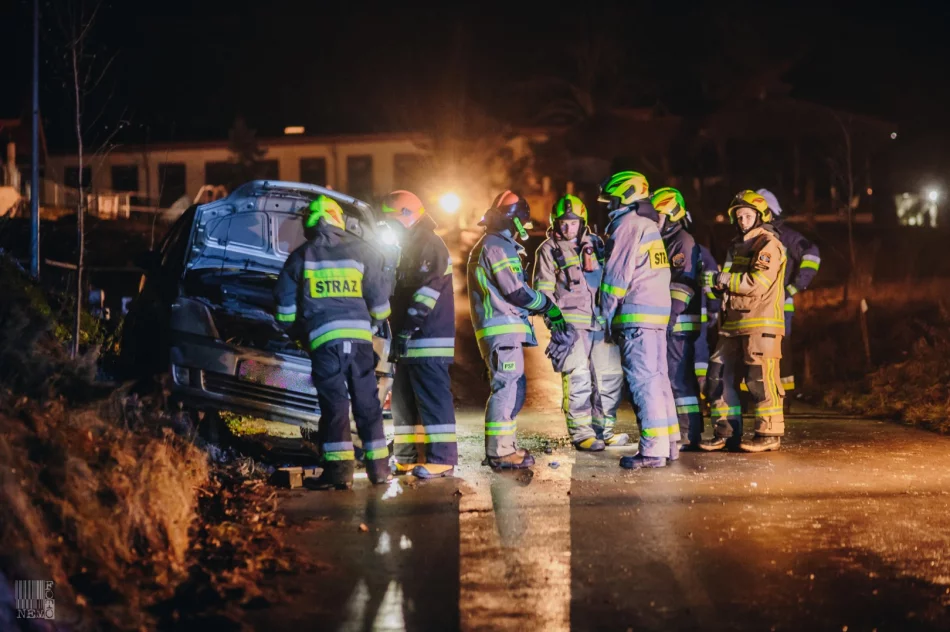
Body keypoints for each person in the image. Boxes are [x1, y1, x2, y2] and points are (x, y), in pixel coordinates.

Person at [274, 195, 393, 489]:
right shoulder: (361, 251)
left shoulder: (301, 257)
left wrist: (299, 335)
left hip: (325, 343)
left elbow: (285, 311)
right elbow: (380, 304)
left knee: (335, 405)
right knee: (368, 403)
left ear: (310, 223)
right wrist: (371, 325)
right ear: (340, 220)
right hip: (360, 342)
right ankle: (379, 470)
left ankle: (340, 474)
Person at [468, 190, 571, 469]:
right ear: (513, 220)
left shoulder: (496, 244)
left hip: (502, 328)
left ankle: (505, 447)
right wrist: (547, 305)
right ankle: (500, 452)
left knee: (514, 387)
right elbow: (516, 291)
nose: (525, 228)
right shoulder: (496, 246)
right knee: (506, 387)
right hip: (501, 328)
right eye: (523, 222)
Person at [598, 171, 680, 469]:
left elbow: (616, 278)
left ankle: (652, 451)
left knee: (643, 383)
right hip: (656, 317)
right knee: (658, 381)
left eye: (611, 199)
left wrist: (604, 316)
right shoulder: (649, 226)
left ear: (625, 196)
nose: (608, 206)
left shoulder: (627, 226)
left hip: (636, 316)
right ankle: (669, 444)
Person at [533, 194, 628, 451]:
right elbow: (544, 292)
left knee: (608, 378)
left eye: (573, 223)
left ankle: (603, 431)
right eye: (563, 222)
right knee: (578, 379)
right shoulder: (548, 250)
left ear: (582, 222)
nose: (567, 227)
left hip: (600, 323)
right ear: (555, 222)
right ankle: (581, 434)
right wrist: (556, 325)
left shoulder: (596, 244)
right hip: (571, 327)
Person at [700, 190, 787, 453]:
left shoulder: (767, 244)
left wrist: (725, 281)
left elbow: (757, 283)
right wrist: (716, 286)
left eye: (748, 215)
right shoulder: (737, 245)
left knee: (759, 379)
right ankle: (726, 432)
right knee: (716, 374)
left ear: (761, 216)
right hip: (733, 322)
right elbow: (725, 280)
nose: (742, 221)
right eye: (739, 216)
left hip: (762, 322)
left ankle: (769, 433)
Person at [381, 190, 458, 479]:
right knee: (403, 402)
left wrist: (408, 327)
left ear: (407, 216)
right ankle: (405, 457)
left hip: (426, 338)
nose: (388, 228)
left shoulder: (430, 245)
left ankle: (442, 458)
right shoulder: (409, 246)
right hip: (407, 339)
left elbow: (427, 293)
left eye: (391, 221)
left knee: (433, 398)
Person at [651, 187, 704, 450]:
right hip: (670, 322)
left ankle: (688, 433)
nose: (654, 220)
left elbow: (683, 284)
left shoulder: (682, 241)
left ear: (671, 214)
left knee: (679, 380)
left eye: (658, 215)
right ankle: (680, 432)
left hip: (679, 323)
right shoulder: (666, 240)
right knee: (672, 379)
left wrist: (669, 317)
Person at [756, 189, 821, 398]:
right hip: (755, 308)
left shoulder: (787, 237)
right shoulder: (752, 238)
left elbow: (811, 254)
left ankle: (785, 398)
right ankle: (758, 396)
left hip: (780, 307)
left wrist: (794, 287)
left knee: (781, 352)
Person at [695, 241, 722, 395]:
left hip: (663, 312)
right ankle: (703, 392)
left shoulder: (655, 244)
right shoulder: (700, 250)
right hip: (698, 309)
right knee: (699, 350)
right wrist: (714, 308)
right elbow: (711, 282)